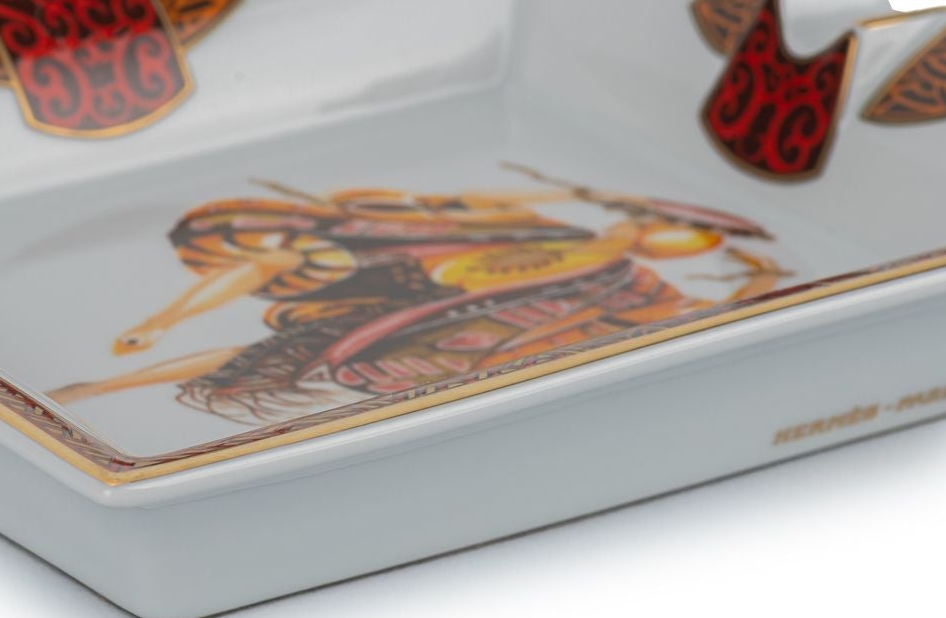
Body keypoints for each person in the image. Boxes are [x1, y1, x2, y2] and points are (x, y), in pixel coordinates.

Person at [53, 165, 786, 426]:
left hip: (458, 314)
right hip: (411, 278)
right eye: (669, 228)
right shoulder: (553, 224)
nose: (669, 237)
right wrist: (160, 319)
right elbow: (466, 210)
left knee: (292, 353)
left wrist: (760, 282)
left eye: (684, 237)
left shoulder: (619, 269)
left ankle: (104, 384)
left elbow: (690, 318)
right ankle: (104, 383)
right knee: (285, 340)